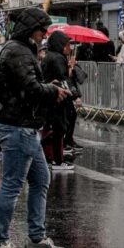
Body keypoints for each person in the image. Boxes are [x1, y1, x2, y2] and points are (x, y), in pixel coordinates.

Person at [0, 7, 71, 248]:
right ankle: (0, 241)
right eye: (41, 29)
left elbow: (27, 85)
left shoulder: (20, 50)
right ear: (30, 29)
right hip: (18, 127)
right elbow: (30, 89)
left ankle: (36, 237)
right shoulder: (19, 52)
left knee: (40, 179)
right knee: (12, 185)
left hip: (24, 126)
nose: (44, 34)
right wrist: (52, 90)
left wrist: (47, 86)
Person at [40, 31, 83, 171]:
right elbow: (63, 79)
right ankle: (57, 161)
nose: (69, 47)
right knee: (57, 129)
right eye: (67, 44)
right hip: (57, 99)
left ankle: (49, 158)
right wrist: (75, 95)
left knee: (51, 128)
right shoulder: (58, 58)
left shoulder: (50, 56)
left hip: (49, 97)